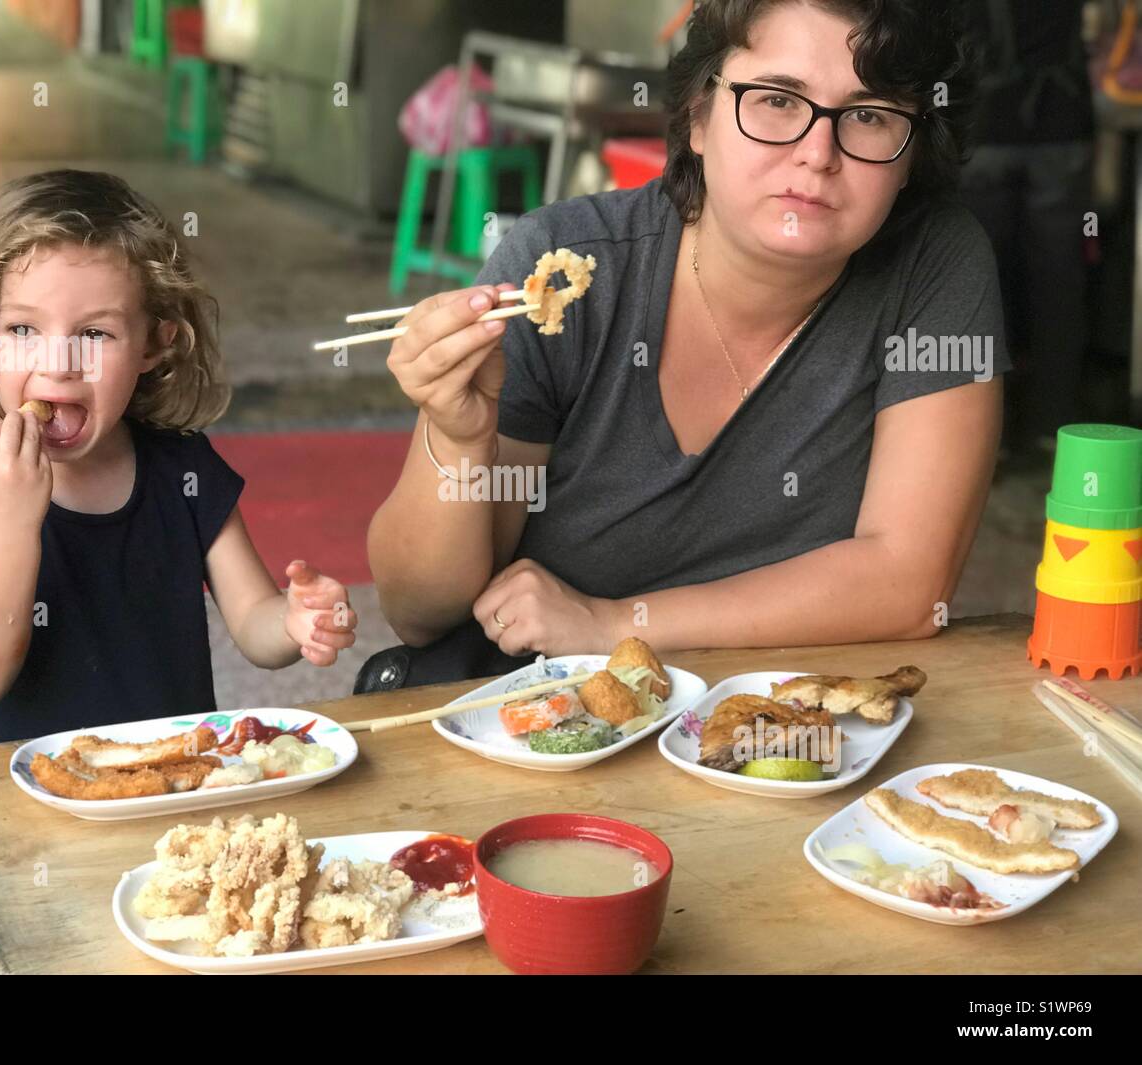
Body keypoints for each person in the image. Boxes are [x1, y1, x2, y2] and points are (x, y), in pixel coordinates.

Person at [362, 0, 1010, 690]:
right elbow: (420, 614)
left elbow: (909, 583)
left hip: (786, 741)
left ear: (913, 154)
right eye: (776, 101)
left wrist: (614, 623)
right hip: (544, 727)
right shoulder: (564, 268)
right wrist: (457, 440)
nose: (817, 154)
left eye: (871, 114)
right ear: (699, 116)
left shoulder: (936, 265)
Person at [0, 168, 360, 972]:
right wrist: (13, 521)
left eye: (96, 333)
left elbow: (254, 625)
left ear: (155, 344)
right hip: (9, 838)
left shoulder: (184, 472)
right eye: (22, 328)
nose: (58, 362)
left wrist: (296, 620)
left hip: (169, 827)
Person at [955, 0, 1094, 457]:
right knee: (1060, 284)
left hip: (983, 130)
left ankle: (985, 435)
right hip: (1062, 126)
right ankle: (1054, 427)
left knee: (981, 287)